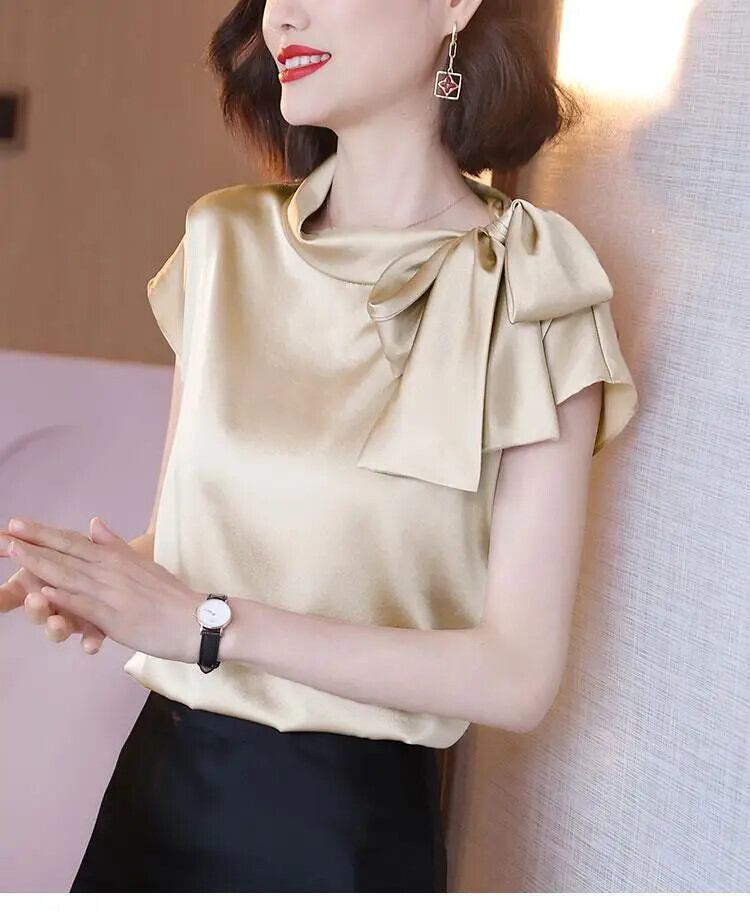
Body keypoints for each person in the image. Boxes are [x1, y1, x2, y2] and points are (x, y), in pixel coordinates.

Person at [1, 0, 639, 893]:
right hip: (160, 798)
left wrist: (209, 625)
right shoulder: (222, 242)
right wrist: (104, 585)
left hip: (341, 842)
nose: (282, 18)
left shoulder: (533, 286)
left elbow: (516, 675)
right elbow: (185, 548)